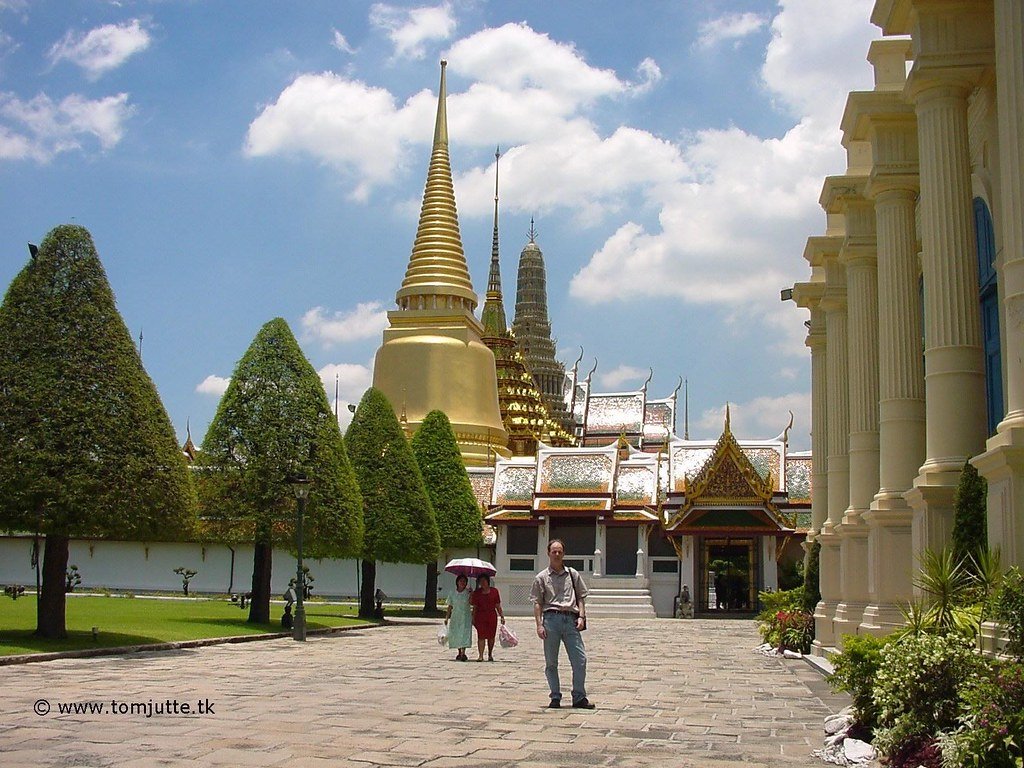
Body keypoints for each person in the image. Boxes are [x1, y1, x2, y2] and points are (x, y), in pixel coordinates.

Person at [531, 539, 594, 709]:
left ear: (564, 553)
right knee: (551, 662)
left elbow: (581, 596)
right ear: (548, 553)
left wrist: (581, 616)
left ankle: (579, 696)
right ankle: (555, 696)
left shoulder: (572, 574)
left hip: (570, 619)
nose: (557, 554)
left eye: (560, 551)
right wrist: (539, 625)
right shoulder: (541, 578)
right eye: (554, 551)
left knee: (580, 660)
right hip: (551, 619)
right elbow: (537, 603)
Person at [470, 574, 505, 661]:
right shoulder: (477, 593)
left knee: (491, 636)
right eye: (481, 581)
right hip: (480, 616)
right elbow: (474, 606)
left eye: (484, 581)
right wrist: (473, 618)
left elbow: (498, 605)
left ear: (488, 582)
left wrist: (502, 616)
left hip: (491, 616)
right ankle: (480, 655)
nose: (483, 583)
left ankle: (490, 654)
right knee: (481, 636)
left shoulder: (494, 591)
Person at [444, 574, 472, 661]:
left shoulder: (468, 592)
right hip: (455, 616)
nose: (462, 583)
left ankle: (463, 652)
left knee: (464, 634)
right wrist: (446, 617)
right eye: (461, 581)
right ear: (457, 582)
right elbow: (450, 606)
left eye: (464, 581)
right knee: (456, 634)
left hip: (466, 616)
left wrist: (471, 594)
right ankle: (459, 651)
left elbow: (471, 603)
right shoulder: (452, 593)